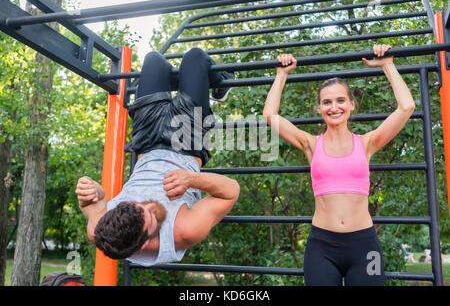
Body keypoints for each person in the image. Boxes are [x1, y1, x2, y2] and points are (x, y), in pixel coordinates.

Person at [263, 44, 415, 286]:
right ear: (319, 108)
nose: (334, 107)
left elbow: (407, 107)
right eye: (327, 102)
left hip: (364, 244)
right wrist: (282, 74)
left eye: (341, 100)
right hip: (321, 246)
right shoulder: (310, 144)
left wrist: (387, 65)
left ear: (352, 104)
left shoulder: (367, 143)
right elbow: (270, 115)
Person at [76, 48, 239, 266]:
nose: (151, 205)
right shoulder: (183, 231)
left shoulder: (100, 230)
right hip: (187, 144)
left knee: (154, 61)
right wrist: (191, 179)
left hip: (146, 142)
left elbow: (94, 205)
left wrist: (93, 193)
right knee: (194, 57)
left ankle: (187, 81)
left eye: (138, 205)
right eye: (150, 217)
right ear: (143, 246)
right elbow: (231, 192)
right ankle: (219, 84)